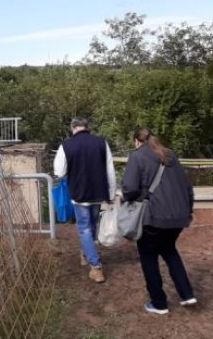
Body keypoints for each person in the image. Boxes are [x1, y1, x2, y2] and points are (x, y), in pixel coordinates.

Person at [122, 127, 196, 315]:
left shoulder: (137, 156)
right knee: (169, 250)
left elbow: (129, 189)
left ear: (137, 141)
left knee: (148, 256)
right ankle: (187, 294)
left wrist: (132, 197)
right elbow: (187, 186)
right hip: (179, 216)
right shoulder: (170, 155)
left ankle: (159, 303)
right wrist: (188, 210)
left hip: (154, 217)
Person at [54, 117, 116, 283]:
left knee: (85, 229)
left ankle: (96, 267)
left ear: (72, 128)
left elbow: (59, 172)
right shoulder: (101, 142)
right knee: (92, 225)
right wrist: (111, 195)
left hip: (79, 194)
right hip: (98, 193)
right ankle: (85, 252)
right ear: (87, 127)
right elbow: (110, 170)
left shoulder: (66, 145)